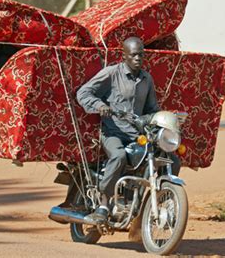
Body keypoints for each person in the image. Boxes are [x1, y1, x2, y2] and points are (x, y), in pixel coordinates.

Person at [76, 36, 180, 222]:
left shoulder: (146, 79)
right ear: (124, 56)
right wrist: (100, 106)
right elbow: (83, 92)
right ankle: (103, 204)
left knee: (171, 159)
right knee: (118, 156)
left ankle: (158, 202)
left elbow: (151, 109)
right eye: (133, 55)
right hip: (112, 133)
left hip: (137, 135)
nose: (137, 58)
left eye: (140, 55)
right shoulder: (111, 73)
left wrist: (160, 120)